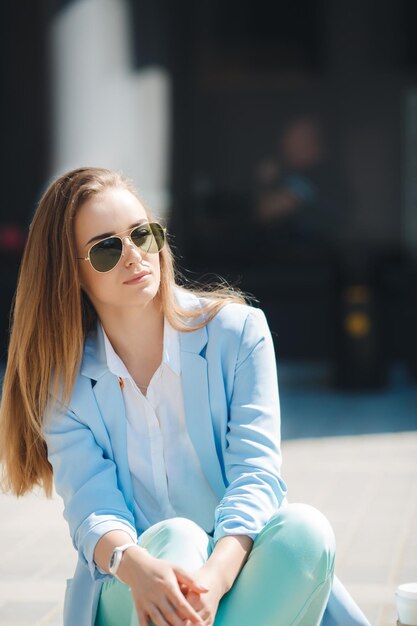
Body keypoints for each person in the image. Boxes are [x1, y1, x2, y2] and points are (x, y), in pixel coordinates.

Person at [0, 167, 370, 626]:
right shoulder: (61, 382)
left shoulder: (239, 334)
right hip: (131, 585)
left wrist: (215, 579)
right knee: (176, 537)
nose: (134, 255)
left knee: (305, 531)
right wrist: (141, 569)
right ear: (69, 274)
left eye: (142, 234)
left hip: (235, 569)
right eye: (107, 249)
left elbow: (256, 476)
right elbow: (93, 509)